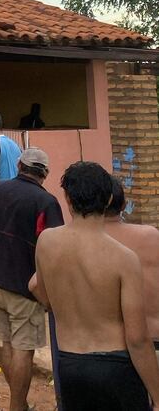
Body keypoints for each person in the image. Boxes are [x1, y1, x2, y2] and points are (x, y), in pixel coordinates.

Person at [31, 160, 159, 410]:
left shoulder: (46, 242)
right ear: (110, 197)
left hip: (69, 364)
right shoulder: (123, 258)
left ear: (67, 199)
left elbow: (41, 293)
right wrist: (157, 393)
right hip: (116, 367)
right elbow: (137, 338)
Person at [0, 147, 63, 411]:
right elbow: (52, 249)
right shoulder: (46, 202)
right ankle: (17, 406)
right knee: (23, 348)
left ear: (19, 165)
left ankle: (18, 404)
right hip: (24, 286)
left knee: (8, 344)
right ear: (45, 173)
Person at [104, 176, 159, 362]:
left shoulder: (85, 241)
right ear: (123, 204)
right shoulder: (151, 236)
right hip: (154, 342)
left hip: (111, 351)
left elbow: (35, 285)